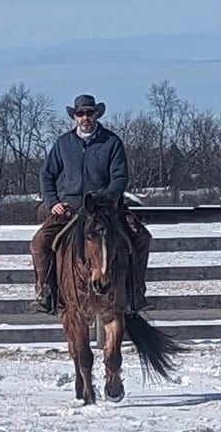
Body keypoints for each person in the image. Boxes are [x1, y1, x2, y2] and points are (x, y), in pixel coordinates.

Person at [29, 93, 152, 315]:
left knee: (141, 236)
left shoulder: (111, 142)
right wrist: (53, 201)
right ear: (74, 117)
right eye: (80, 113)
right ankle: (46, 292)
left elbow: (120, 178)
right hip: (71, 208)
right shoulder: (63, 144)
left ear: (96, 114)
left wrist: (104, 198)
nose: (85, 117)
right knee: (40, 242)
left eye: (89, 113)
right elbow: (47, 174)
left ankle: (136, 290)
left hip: (105, 208)